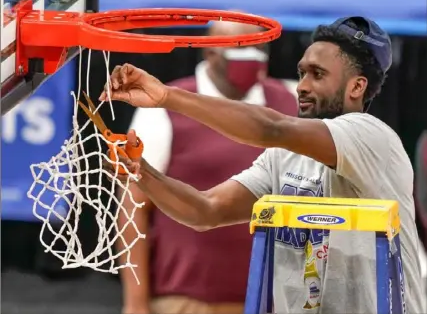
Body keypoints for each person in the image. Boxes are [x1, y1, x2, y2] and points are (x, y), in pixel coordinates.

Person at [103, 16, 427, 313]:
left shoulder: (371, 138)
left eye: (317, 75)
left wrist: (166, 97)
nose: (302, 85)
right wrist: (141, 171)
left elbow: (270, 128)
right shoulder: (281, 157)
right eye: (302, 73)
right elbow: (206, 210)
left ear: (357, 86)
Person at [115, 20, 298, 314]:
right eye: (242, 48)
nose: (253, 57)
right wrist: (136, 303)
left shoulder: (288, 103)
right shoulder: (164, 105)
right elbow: (131, 205)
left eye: (259, 47)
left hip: (271, 300)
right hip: (186, 299)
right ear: (211, 51)